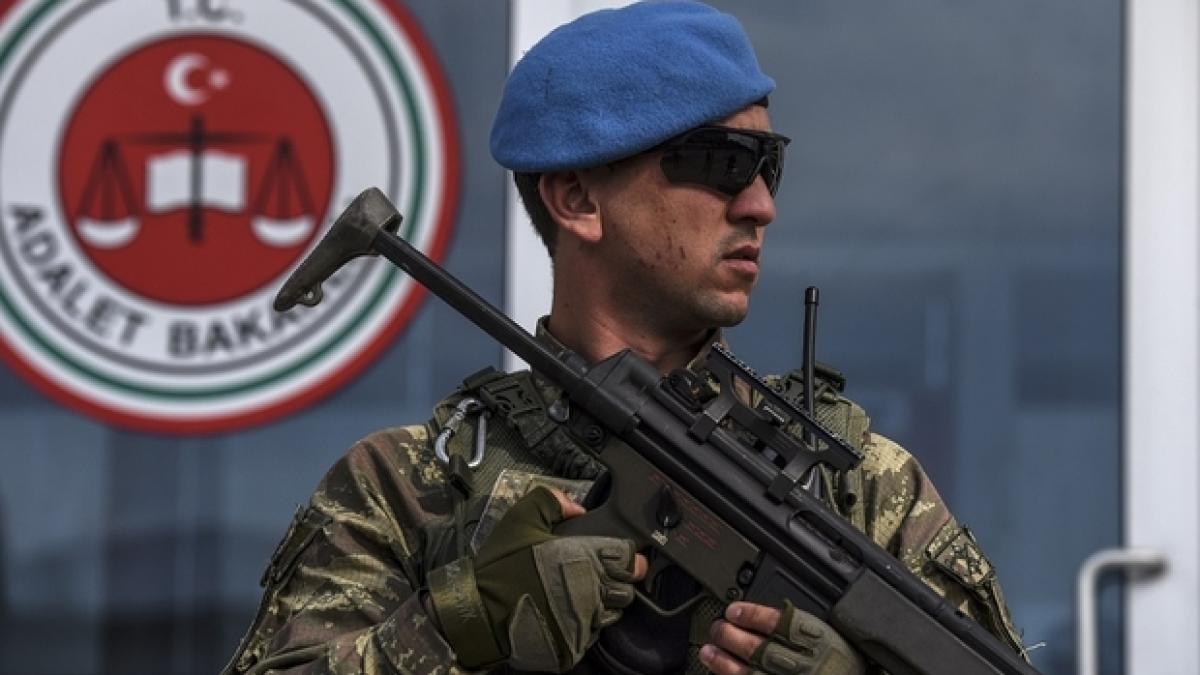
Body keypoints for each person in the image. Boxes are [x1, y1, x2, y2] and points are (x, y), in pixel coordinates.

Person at [223, 2, 1026, 674]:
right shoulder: (408, 488)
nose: (758, 206)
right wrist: (462, 618)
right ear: (577, 198)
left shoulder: (856, 489)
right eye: (720, 161)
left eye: (767, 166)